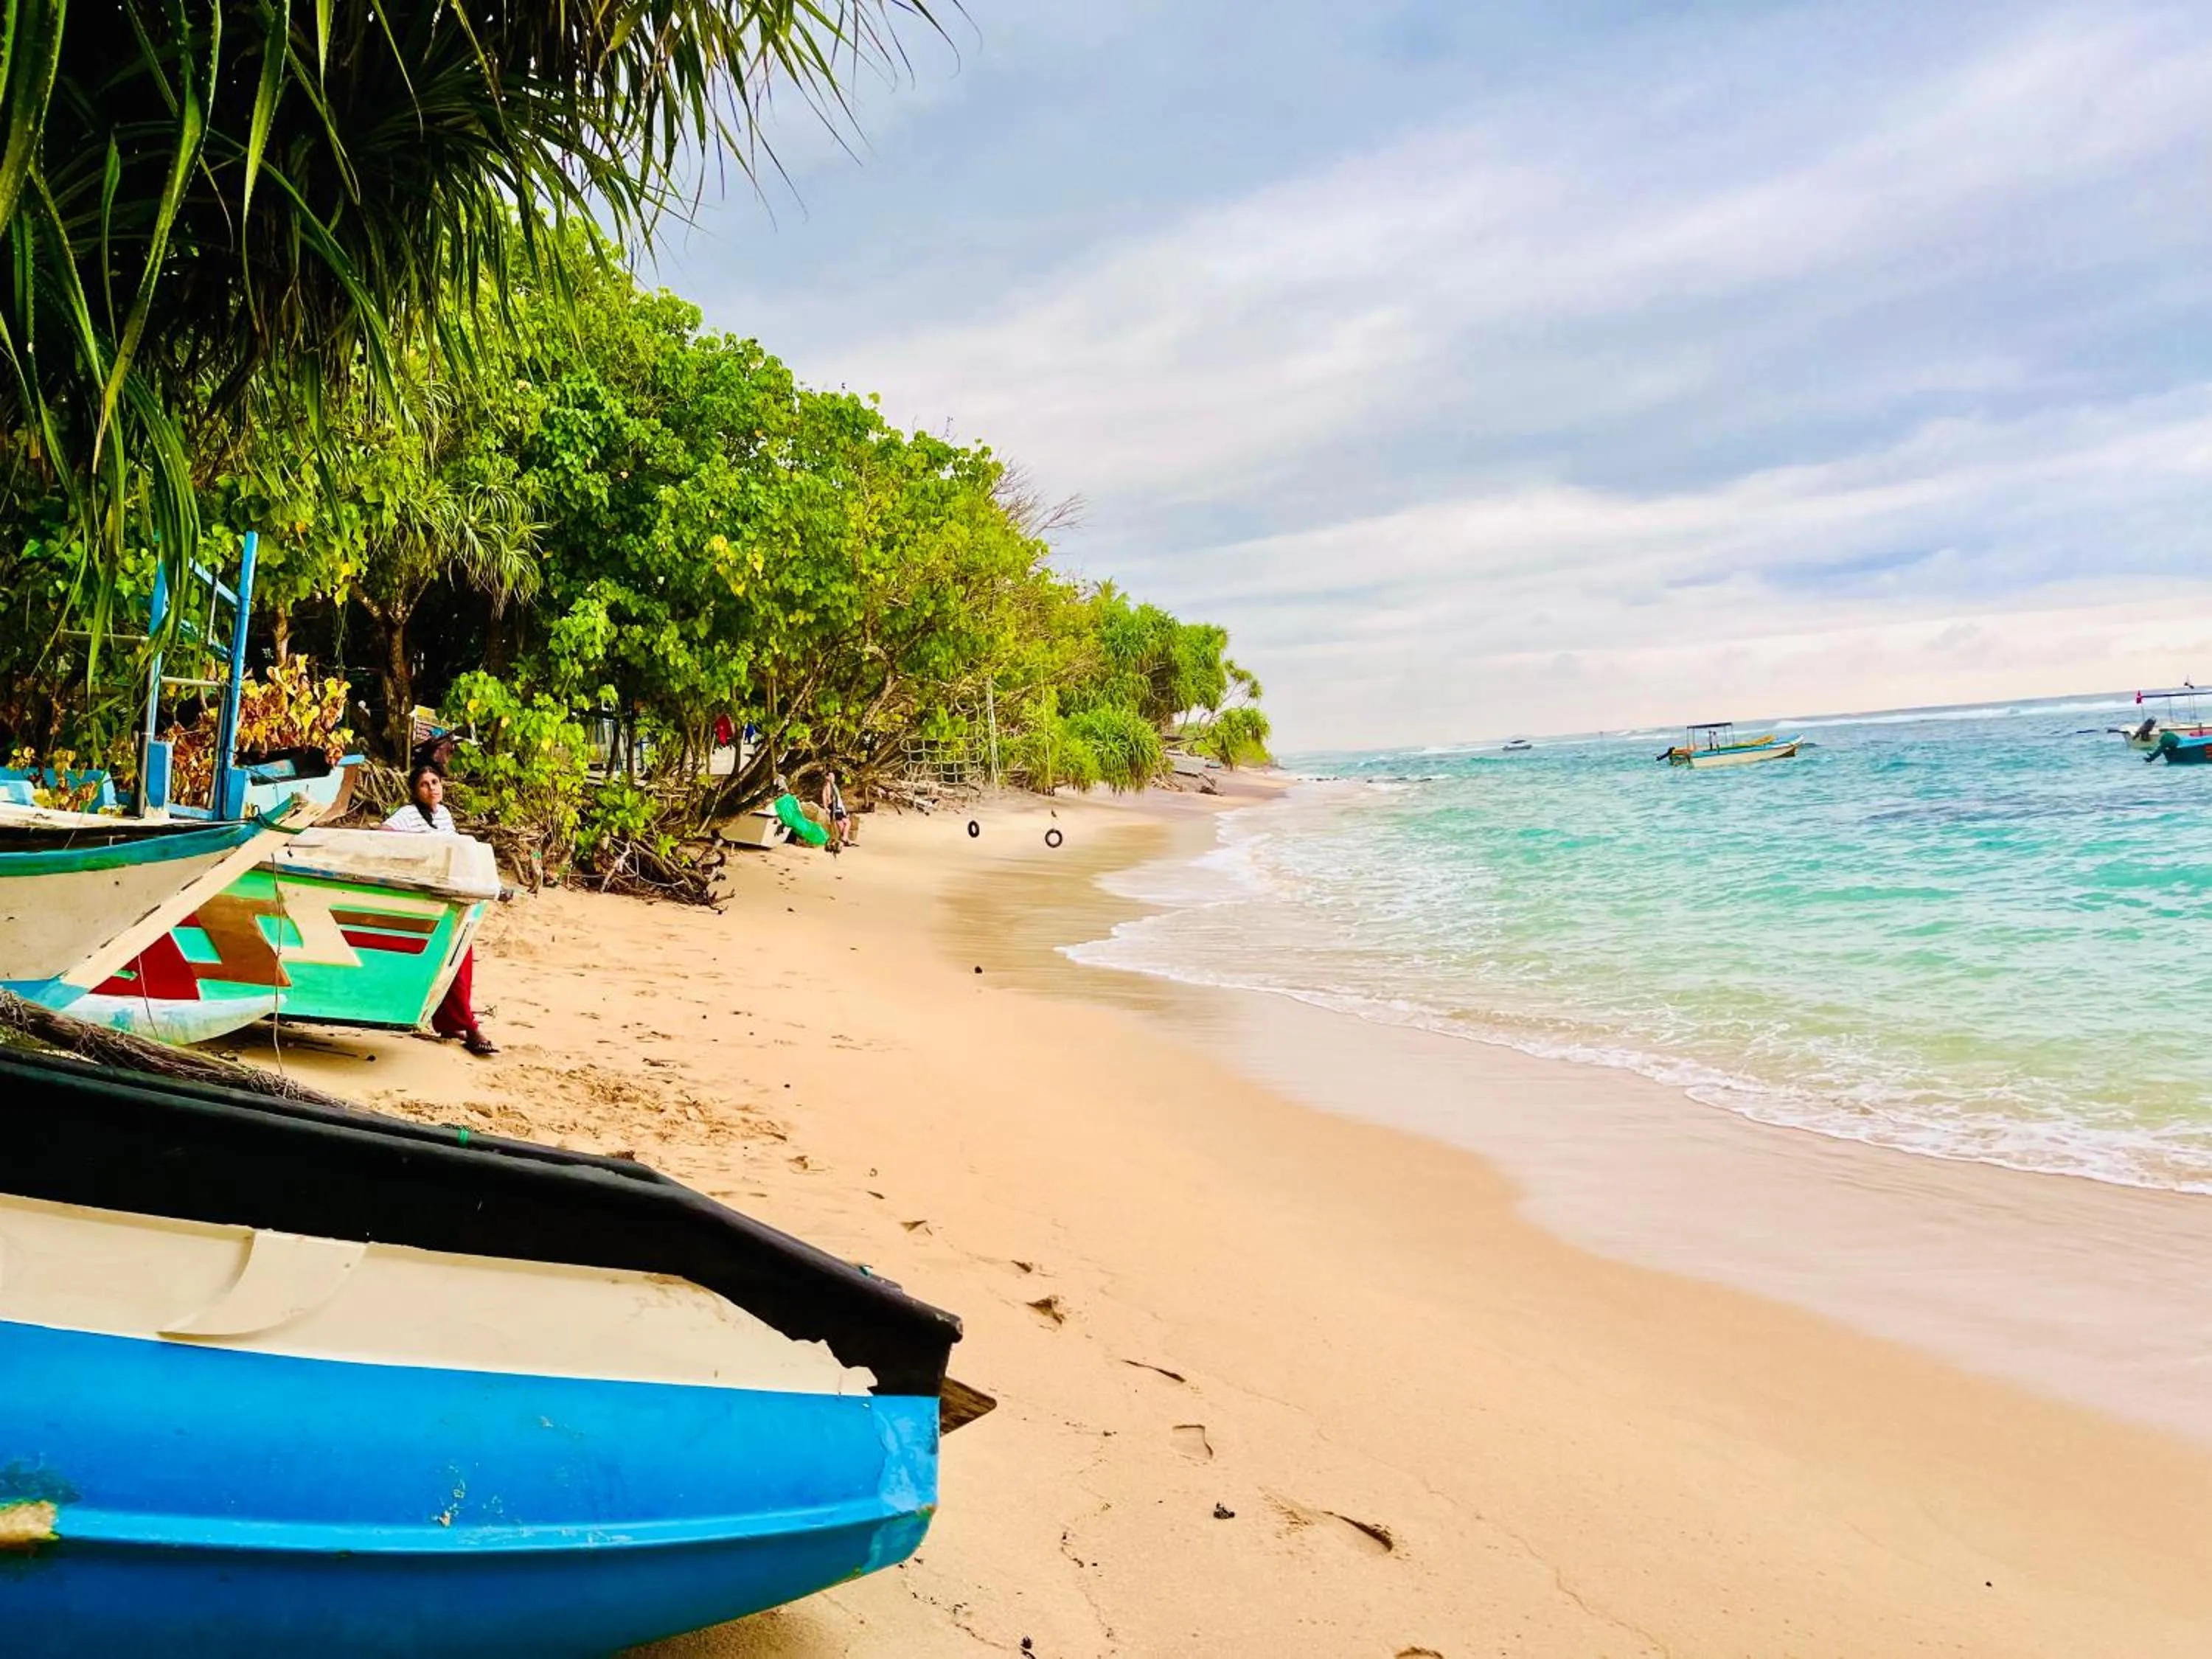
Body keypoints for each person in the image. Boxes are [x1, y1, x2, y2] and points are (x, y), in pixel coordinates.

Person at [383, 765, 497, 1057]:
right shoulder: (408, 815)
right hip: (425, 899)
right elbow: (385, 836)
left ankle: (449, 1022)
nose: (432, 788)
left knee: (459, 957)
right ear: (414, 790)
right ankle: (470, 1027)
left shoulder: (443, 815)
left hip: (448, 897)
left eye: (435, 782)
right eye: (424, 784)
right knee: (454, 957)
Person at [819, 768, 855, 849]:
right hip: (835, 808)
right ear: (827, 777)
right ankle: (844, 839)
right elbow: (824, 797)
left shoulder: (833, 786)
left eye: (833, 776)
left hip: (838, 807)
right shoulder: (827, 786)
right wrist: (826, 807)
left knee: (842, 825)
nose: (833, 778)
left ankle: (844, 842)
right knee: (848, 823)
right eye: (831, 776)